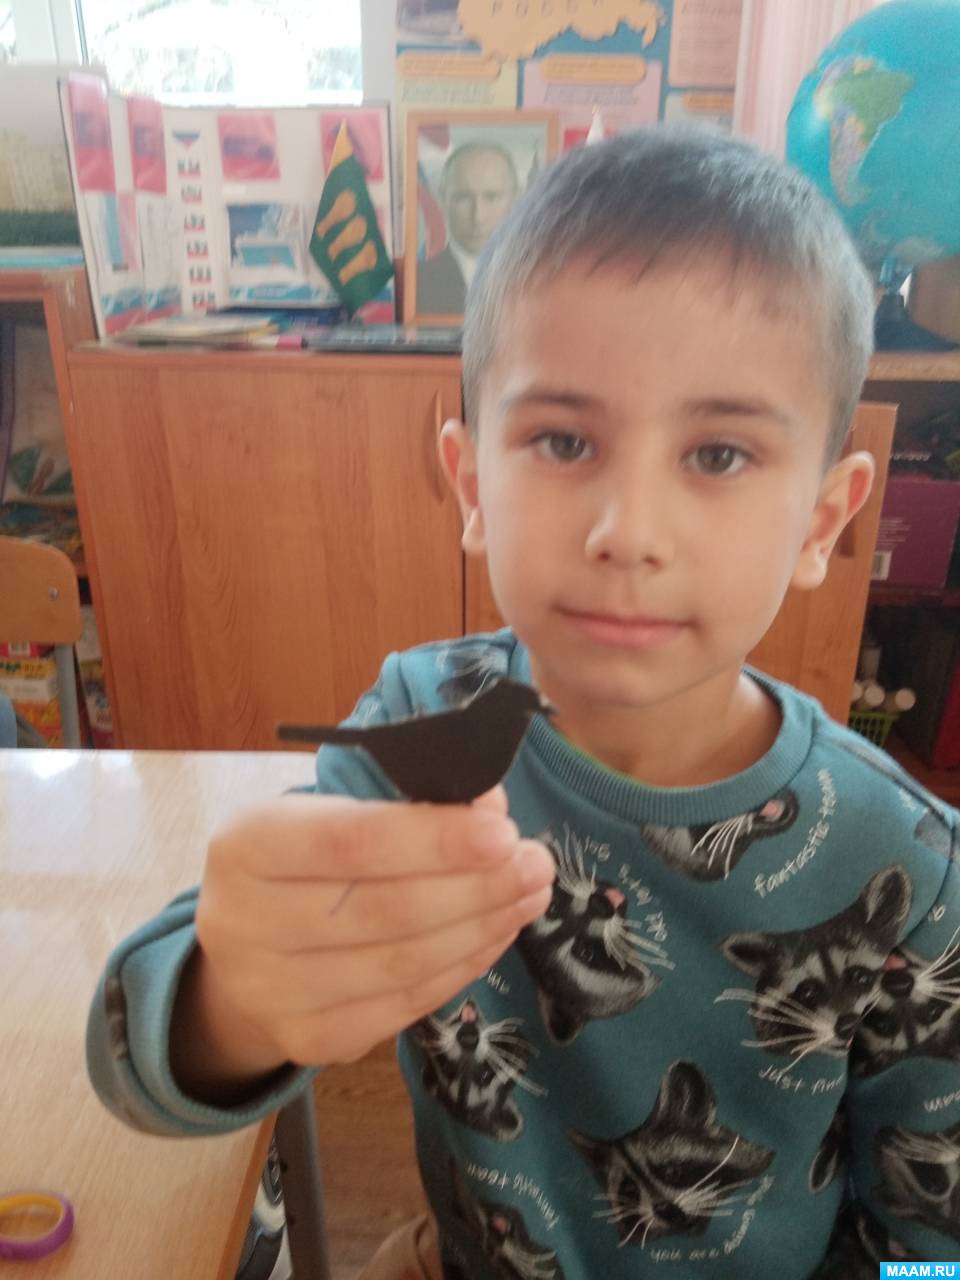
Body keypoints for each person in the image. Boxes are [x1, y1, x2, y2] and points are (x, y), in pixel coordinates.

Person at [87, 128, 960, 1279]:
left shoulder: (907, 862)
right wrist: (231, 1002)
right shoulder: (418, 727)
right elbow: (139, 1059)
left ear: (822, 519)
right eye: (562, 439)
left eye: (718, 455)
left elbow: (934, 1241)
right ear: (470, 484)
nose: (627, 532)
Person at [416, 140, 519, 315]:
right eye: (463, 198)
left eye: (491, 197)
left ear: (515, 200)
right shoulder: (416, 282)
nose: (478, 216)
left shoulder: (539, 279)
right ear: (442, 200)